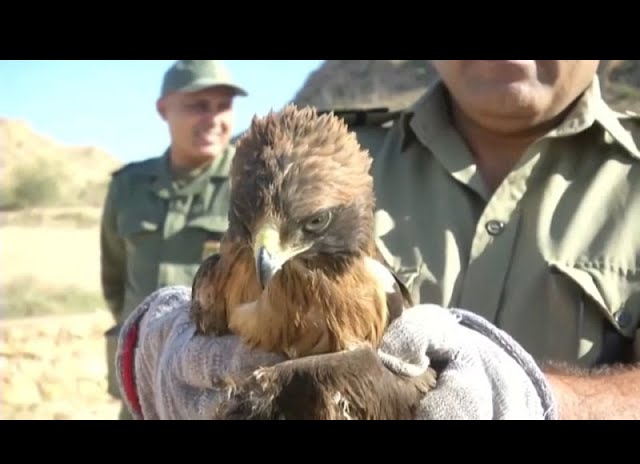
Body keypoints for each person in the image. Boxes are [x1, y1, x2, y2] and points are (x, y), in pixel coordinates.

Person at [113, 60, 640, 420]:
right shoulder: (317, 150)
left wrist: (534, 400)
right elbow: (162, 278)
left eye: (315, 224)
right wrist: (151, 351)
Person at [100, 60, 248, 420]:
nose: (213, 118)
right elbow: (115, 281)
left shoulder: (248, 185)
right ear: (163, 109)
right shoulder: (128, 186)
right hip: (140, 382)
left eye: (223, 105)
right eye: (198, 105)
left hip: (216, 388)